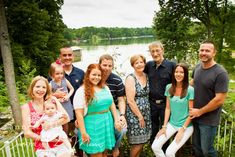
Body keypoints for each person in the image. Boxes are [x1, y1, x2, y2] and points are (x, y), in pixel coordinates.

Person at [189, 40, 229, 157]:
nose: (204, 53)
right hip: (195, 116)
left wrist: (199, 112)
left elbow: (219, 100)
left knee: (207, 150)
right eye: (202, 50)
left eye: (207, 50)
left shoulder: (220, 73)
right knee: (197, 148)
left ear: (214, 53)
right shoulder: (197, 67)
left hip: (208, 119)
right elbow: (192, 83)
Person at [73, 63, 120, 157]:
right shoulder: (81, 91)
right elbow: (79, 114)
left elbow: (112, 105)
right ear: (88, 75)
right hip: (92, 126)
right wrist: (83, 132)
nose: (97, 77)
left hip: (107, 122)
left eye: (99, 75)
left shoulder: (105, 87)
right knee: (97, 153)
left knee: (104, 153)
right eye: (94, 75)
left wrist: (117, 120)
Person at [21, 76, 71, 157]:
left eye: (44, 87)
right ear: (32, 88)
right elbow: (27, 132)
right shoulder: (26, 107)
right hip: (43, 146)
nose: (41, 90)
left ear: (47, 90)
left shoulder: (52, 101)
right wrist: (47, 138)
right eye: (37, 86)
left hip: (59, 142)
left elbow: (67, 118)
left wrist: (52, 124)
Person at [151, 63, 194, 157]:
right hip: (172, 124)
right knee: (155, 146)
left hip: (186, 127)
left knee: (169, 152)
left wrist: (182, 130)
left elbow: (192, 113)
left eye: (181, 72)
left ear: (185, 74)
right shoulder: (169, 87)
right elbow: (167, 108)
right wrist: (164, 126)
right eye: (176, 71)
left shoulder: (190, 90)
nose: (178, 74)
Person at [144, 41, 176, 145]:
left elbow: (177, 84)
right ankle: (154, 151)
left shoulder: (171, 65)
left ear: (162, 50)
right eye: (152, 51)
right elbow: (140, 77)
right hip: (151, 104)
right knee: (153, 130)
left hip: (166, 105)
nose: (155, 53)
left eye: (157, 50)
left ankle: (165, 151)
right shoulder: (148, 65)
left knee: (164, 130)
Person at [99, 54, 127, 157]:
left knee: (122, 128)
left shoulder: (117, 80)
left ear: (112, 66)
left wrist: (122, 115)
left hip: (113, 109)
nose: (107, 68)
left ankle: (115, 147)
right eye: (104, 65)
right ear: (99, 65)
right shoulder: (94, 77)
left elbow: (121, 100)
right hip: (97, 111)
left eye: (109, 66)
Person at [125, 54, 152, 157]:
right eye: (136, 63)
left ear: (144, 63)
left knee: (142, 141)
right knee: (137, 143)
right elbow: (130, 100)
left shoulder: (146, 76)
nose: (139, 64)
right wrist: (140, 116)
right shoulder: (131, 78)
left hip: (146, 113)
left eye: (141, 62)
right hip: (135, 115)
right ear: (133, 65)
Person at [49, 62, 74, 135]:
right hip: (58, 106)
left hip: (67, 104)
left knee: (68, 120)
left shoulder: (65, 80)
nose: (60, 76)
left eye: (61, 73)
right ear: (52, 74)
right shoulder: (51, 84)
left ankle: (68, 136)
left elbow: (72, 89)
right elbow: (48, 95)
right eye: (57, 74)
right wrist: (56, 96)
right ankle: (63, 136)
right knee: (62, 121)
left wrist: (67, 96)